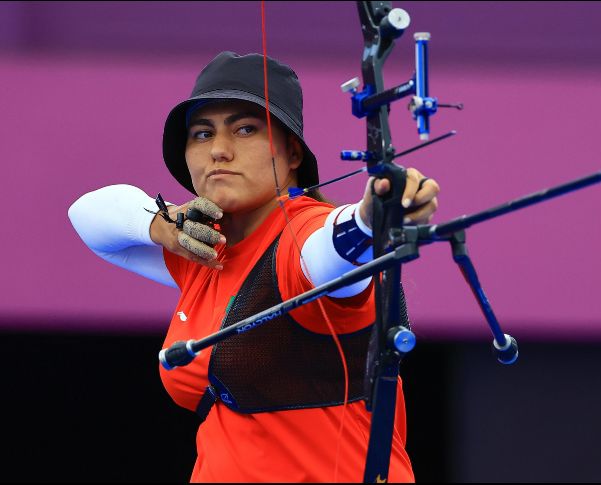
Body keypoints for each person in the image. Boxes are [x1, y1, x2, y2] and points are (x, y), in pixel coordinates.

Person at [68, 51, 439, 482]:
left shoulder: (302, 235)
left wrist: (372, 218)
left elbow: (332, 248)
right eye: (202, 134)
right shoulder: (202, 249)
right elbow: (87, 216)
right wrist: (161, 225)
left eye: (246, 129)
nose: (219, 151)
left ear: (293, 152)